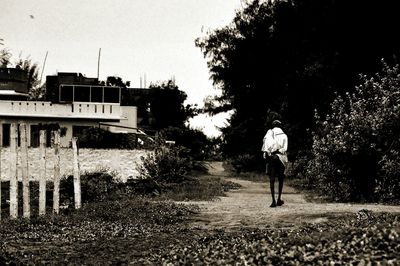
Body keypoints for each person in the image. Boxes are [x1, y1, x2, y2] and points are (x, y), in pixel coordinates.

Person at [261, 120, 288, 208]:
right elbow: (285, 148)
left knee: (271, 179)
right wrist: (279, 150)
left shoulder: (270, 133)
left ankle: (273, 201)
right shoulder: (284, 135)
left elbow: (266, 146)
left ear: (273, 126)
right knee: (281, 178)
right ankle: (279, 199)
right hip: (281, 157)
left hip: (272, 157)